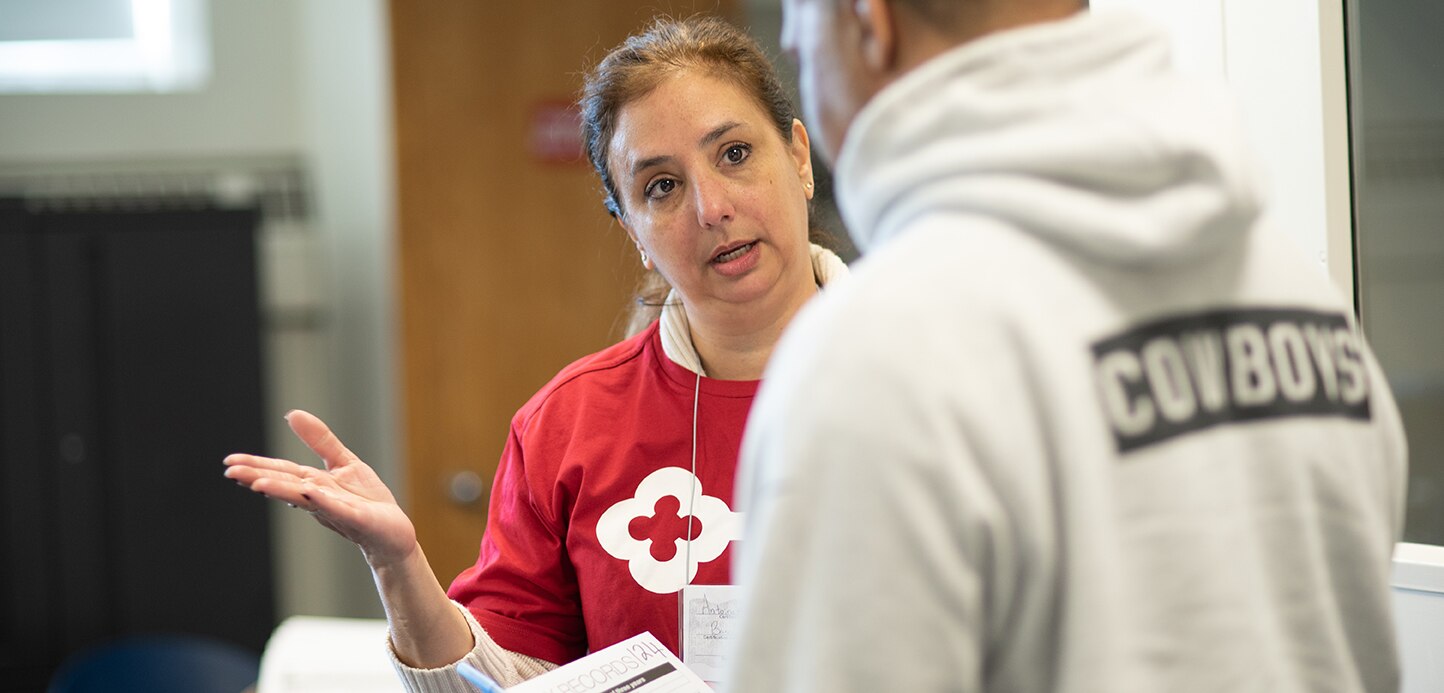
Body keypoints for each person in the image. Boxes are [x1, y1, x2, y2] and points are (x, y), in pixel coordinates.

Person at [726, 1, 1408, 692]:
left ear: (870, 22)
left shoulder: (876, 358)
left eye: (800, 28)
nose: (793, 49)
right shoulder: (1300, 297)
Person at [223, 15, 847, 691]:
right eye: (661, 186)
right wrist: (398, 565)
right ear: (631, 229)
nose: (712, 207)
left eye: (733, 154)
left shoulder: (932, 371)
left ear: (799, 157)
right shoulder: (569, 424)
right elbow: (503, 682)